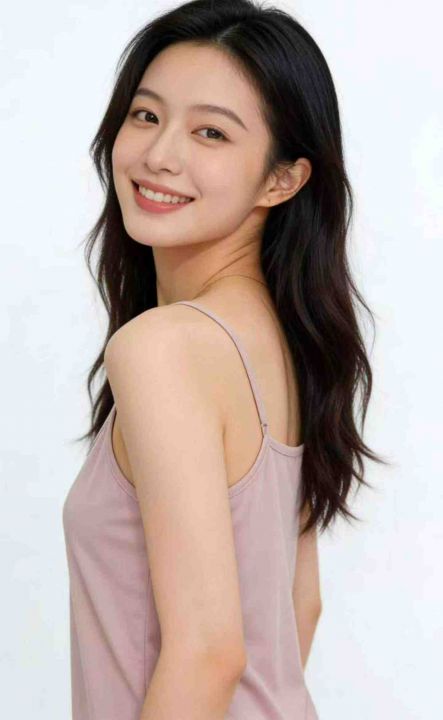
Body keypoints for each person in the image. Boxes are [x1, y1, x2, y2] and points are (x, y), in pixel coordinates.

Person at [63, 1, 387, 718]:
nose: (159, 154)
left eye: (210, 131)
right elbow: (299, 606)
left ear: (282, 180)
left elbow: (208, 652)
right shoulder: (287, 339)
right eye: (146, 115)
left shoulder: (163, 348)